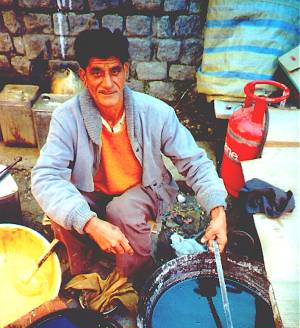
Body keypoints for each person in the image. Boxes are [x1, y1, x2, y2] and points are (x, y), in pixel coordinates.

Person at [31, 28, 228, 280]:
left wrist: (218, 212)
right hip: (93, 193)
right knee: (61, 213)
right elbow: (46, 176)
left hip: (144, 190)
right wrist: (89, 222)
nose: (107, 83)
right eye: (96, 73)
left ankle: (132, 279)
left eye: (114, 71)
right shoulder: (66, 117)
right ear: (83, 76)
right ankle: (88, 273)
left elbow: (195, 162)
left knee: (122, 211)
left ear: (126, 70)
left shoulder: (157, 113)